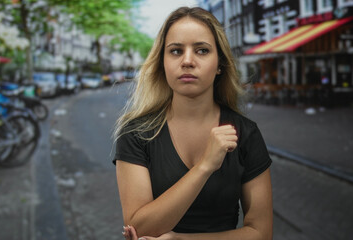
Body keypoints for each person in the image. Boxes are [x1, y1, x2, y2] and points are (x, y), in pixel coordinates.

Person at [113, 7, 273, 240]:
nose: (188, 61)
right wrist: (204, 167)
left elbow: (261, 233)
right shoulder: (136, 133)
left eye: (202, 50)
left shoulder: (246, 134)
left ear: (220, 64)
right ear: (162, 63)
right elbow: (140, 229)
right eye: (176, 51)